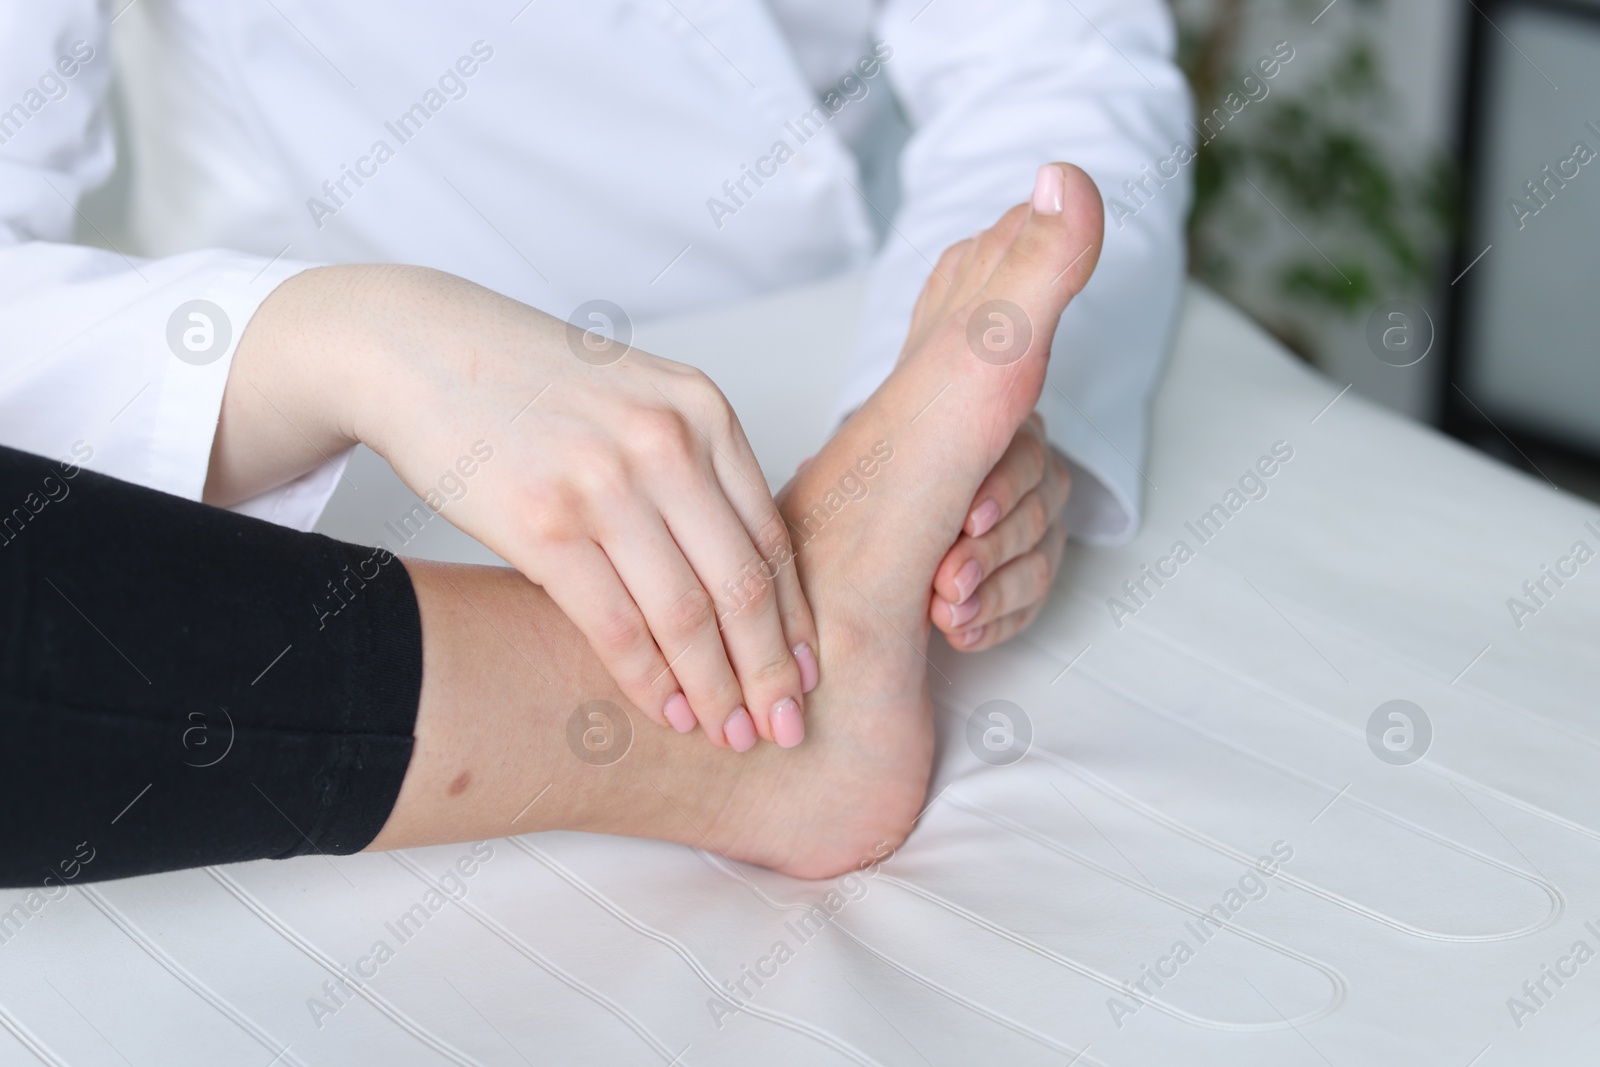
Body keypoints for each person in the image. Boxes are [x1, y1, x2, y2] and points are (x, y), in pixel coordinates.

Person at [0, 3, 1189, 751]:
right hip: (364, 449)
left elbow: (1054, 62)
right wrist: (340, 340)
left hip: (837, 332)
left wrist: (957, 395)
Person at [0, 165, 1102, 887]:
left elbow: (1045, 46)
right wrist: (334, 337)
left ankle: (803, 647)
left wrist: (917, 425)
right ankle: (746, 745)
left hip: (801, 273)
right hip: (316, 265)